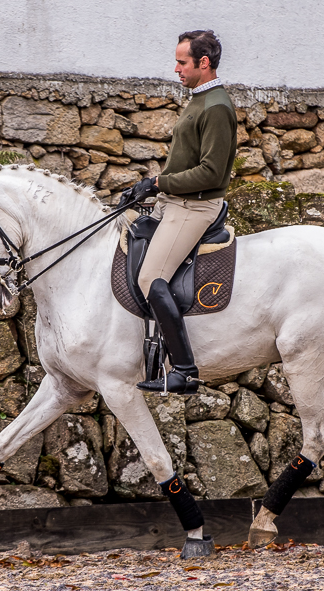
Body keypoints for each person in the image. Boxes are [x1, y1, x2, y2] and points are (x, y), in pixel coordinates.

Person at [121, 29, 238, 395]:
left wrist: (157, 183)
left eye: (182, 62)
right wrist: (150, 187)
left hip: (196, 207)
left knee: (149, 276)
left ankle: (184, 371)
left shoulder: (217, 106)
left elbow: (211, 172)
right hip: (176, 202)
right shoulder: (200, 99)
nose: (175, 69)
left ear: (204, 63)